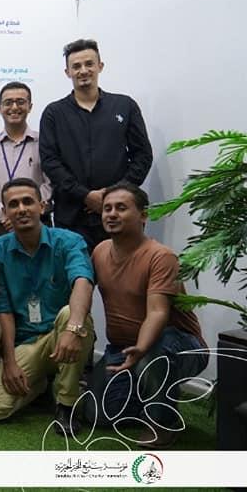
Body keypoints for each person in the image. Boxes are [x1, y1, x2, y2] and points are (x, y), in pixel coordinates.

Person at [87, 182, 207, 448]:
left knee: (153, 356)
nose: (112, 214)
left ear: (143, 215)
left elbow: (157, 312)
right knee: (99, 415)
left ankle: (163, 423)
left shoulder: (161, 256)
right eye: (107, 208)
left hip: (177, 344)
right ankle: (147, 394)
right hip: (122, 348)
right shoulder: (100, 251)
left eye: (121, 208)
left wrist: (140, 349)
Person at [0, 178, 95, 435]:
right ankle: (41, 385)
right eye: (13, 204)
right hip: (26, 343)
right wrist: (9, 362)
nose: (21, 209)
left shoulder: (69, 241)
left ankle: (66, 404)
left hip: (61, 335)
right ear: (5, 213)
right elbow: (3, 309)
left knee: (71, 315)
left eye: (28, 202)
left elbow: (83, 281)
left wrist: (73, 328)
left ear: (42, 206)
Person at [40, 38, 153, 251]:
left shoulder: (125, 106)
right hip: (72, 217)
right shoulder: (54, 113)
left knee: (123, 271)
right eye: (76, 66)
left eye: (89, 64)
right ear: (67, 72)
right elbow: (50, 162)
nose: (83, 70)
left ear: (100, 66)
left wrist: (112, 195)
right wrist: (85, 195)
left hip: (120, 214)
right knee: (77, 271)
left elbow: (142, 156)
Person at [0, 82, 52, 237]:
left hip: (38, 221)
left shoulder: (44, 142)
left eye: (20, 102)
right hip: (1, 224)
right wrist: (4, 214)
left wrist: (34, 208)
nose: (14, 107)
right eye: (8, 103)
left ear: (30, 107)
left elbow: (50, 182)